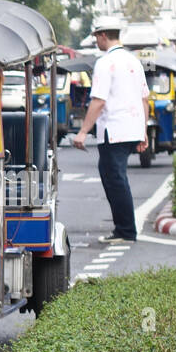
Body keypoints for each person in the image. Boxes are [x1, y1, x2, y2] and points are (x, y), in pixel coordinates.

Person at [71, 14, 150, 243]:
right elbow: (144, 99)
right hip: (131, 127)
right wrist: (142, 130)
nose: (96, 41)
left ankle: (125, 230)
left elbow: (99, 101)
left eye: (96, 37)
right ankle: (123, 228)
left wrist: (83, 131)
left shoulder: (105, 63)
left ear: (103, 36)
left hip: (114, 130)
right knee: (114, 176)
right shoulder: (134, 61)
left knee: (115, 178)